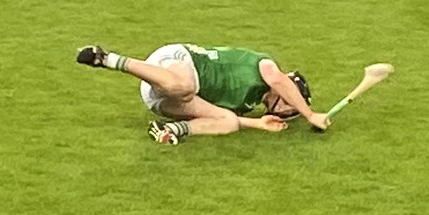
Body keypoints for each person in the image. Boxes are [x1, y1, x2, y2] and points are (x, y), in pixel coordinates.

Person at [76, 42, 331, 144]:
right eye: (293, 106)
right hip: (176, 62)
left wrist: (257, 123)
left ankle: (171, 130)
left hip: (159, 98)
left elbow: (222, 117)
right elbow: (277, 78)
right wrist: (310, 115)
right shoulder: (266, 66)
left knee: (229, 122)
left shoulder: (247, 103)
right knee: (185, 87)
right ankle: (108, 59)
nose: (290, 111)